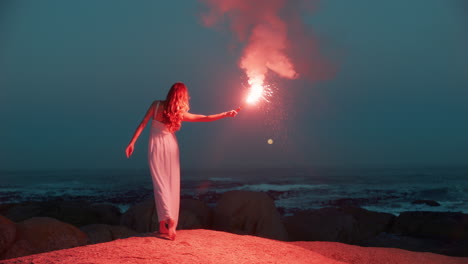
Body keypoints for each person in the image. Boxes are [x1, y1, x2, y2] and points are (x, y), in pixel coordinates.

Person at [125, 82, 239, 240]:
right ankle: (163, 226)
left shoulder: (156, 104)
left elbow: (143, 123)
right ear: (182, 97)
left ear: (170, 93)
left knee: (160, 184)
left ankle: (168, 219)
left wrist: (132, 142)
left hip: (156, 147)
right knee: (171, 184)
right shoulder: (179, 113)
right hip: (171, 147)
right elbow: (204, 118)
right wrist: (226, 114)